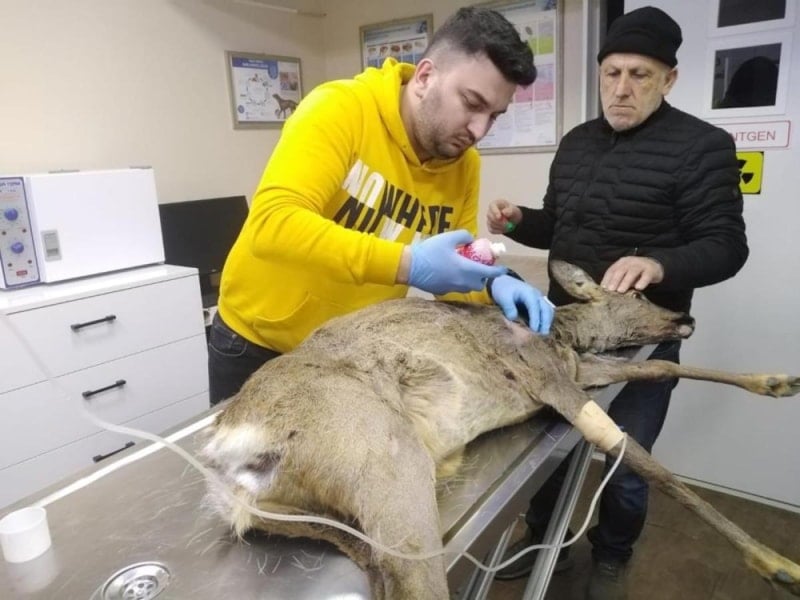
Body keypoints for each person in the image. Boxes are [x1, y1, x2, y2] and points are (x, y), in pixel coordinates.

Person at [488, 6, 748, 600]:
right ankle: (544, 539)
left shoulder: (703, 146)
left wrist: (660, 264)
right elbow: (559, 226)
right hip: (564, 331)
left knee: (627, 460)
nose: (622, 88)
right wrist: (520, 219)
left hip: (641, 342)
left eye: (639, 75)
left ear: (668, 80)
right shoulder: (577, 143)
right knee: (548, 450)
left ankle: (612, 555)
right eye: (612, 73)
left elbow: (727, 247)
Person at [208, 6, 555, 406]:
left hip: (349, 352)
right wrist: (408, 264)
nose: (479, 130)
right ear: (424, 77)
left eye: (494, 116)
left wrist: (494, 283)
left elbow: (458, 262)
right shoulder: (339, 108)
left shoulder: (465, 165)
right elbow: (273, 224)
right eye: (471, 103)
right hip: (259, 343)